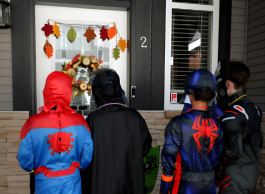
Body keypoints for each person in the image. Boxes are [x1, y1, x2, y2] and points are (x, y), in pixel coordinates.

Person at [17, 71, 93, 194]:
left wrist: (32, 169)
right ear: (68, 91)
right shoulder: (80, 121)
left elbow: (25, 158)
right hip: (72, 182)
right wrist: (79, 168)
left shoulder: (32, 123)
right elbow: (87, 155)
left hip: (45, 183)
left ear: (46, 92)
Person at [81, 69, 152, 194]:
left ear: (97, 91)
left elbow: (85, 154)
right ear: (119, 88)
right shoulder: (135, 116)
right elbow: (145, 147)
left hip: (101, 184)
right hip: (130, 183)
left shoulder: (93, 119)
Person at [160, 69, 223, 194]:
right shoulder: (218, 123)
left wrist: (164, 189)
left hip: (187, 186)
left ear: (190, 94)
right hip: (210, 185)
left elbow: (169, 160)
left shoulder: (178, 123)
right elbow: (219, 157)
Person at [219, 62, 263, 194]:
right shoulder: (255, 108)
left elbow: (232, 153)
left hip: (236, 175)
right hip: (252, 170)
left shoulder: (231, 115)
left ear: (227, 84)